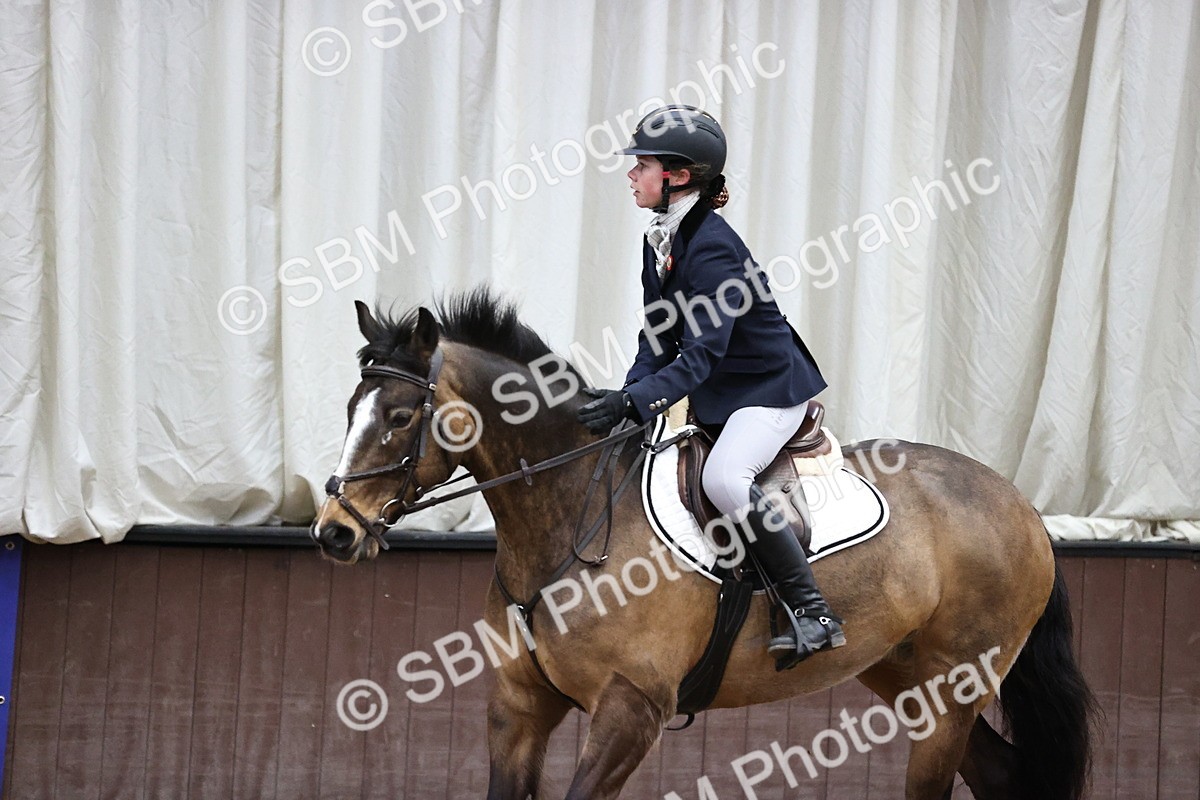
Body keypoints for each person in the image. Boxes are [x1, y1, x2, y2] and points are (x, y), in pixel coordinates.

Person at [576, 105, 844, 671]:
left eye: (641, 165)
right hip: (723, 392)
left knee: (725, 478)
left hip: (767, 391)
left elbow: (701, 355)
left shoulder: (714, 247)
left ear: (677, 176)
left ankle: (814, 611)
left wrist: (638, 399)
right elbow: (657, 341)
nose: (631, 175)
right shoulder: (662, 238)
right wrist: (629, 401)